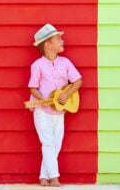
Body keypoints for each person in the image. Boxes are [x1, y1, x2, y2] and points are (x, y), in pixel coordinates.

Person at [28, 23, 82, 187]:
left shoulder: (65, 62)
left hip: (59, 112)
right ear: (48, 45)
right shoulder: (37, 65)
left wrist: (67, 94)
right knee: (48, 143)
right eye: (58, 39)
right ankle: (54, 178)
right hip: (42, 111)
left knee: (55, 144)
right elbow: (33, 87)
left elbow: (78, 81)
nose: (62, 41)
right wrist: (43, 99)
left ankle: (43, 176)